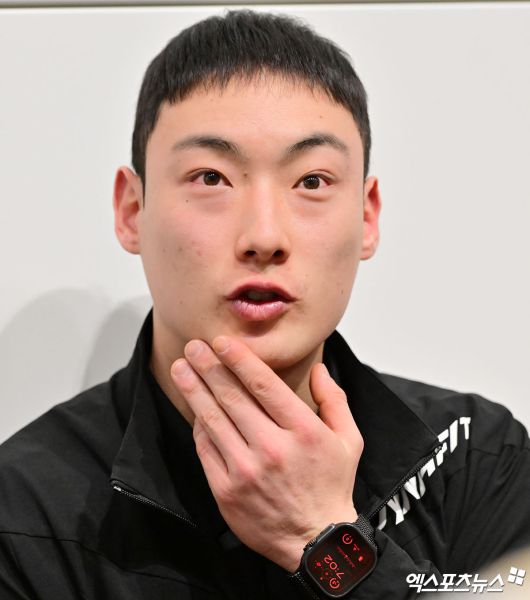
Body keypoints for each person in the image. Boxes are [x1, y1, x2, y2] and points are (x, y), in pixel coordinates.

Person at [0, 9, 528, 600]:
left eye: (311, 181)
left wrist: (322, 537)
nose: (264, 237)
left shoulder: (475, 459)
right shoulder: (22, 512)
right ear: (132, 211)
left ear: (367, 216)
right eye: (211, 178)